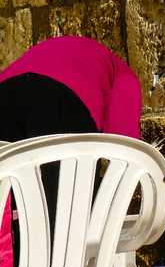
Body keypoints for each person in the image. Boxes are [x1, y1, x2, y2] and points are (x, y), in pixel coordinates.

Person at [0, 35, 142, 267]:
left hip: (5, 91)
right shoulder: (124, 74)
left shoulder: (79, 53)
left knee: (14, 209)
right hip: (59, 94)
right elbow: (124, 147)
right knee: (66, 226)